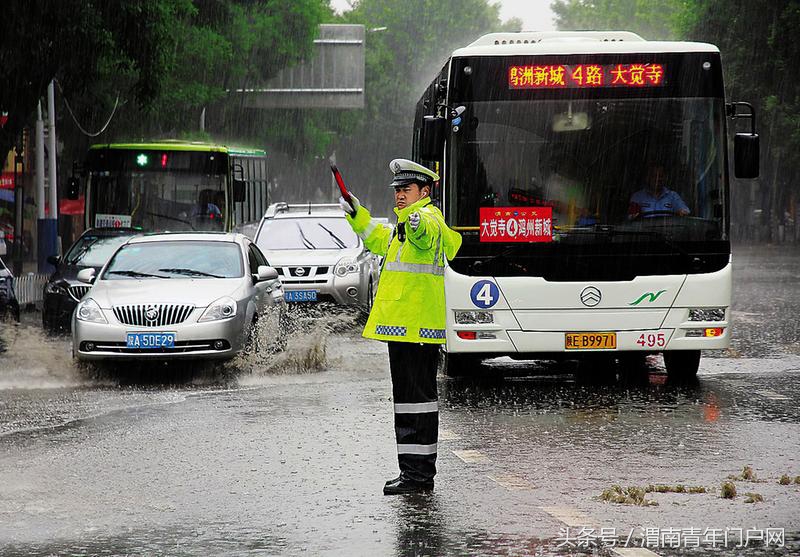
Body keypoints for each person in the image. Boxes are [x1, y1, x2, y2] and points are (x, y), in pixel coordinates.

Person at [339, 158, 462, 495]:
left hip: (418, 331)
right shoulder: (402, 227)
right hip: (407, 331)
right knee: (408, 404)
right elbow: (378, 238)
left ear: (425, 191)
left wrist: (418, 219)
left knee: (418, 403)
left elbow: (427, 232)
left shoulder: (426, 221)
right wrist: (357, 213)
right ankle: (412, 475)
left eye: (406, 190)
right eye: (397, 190)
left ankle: (419, 478)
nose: (399, 196)